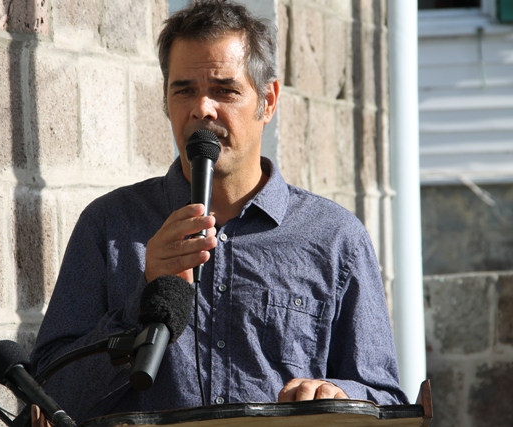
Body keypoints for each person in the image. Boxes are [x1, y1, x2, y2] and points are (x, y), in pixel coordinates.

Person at [30, 0, 408, 424]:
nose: (202, 109)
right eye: (184, 89)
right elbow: (48, 397)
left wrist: (336, 395)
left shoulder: (335, 237)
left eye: (225, 90)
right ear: (166, 101)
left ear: (268, 101)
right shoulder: (110, 225)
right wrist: (145, 296)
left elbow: (385, 397)